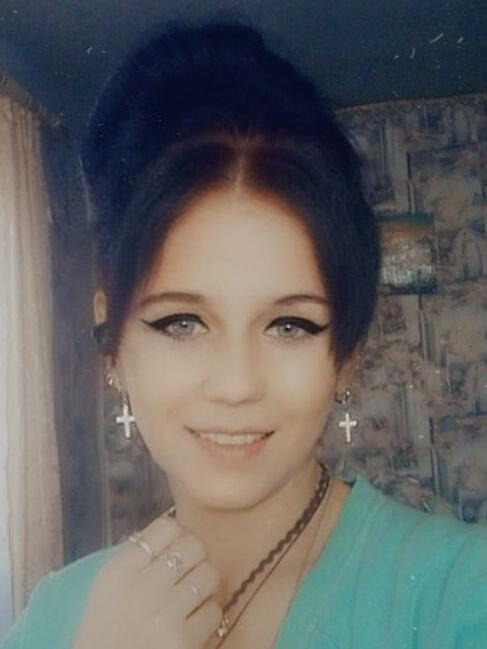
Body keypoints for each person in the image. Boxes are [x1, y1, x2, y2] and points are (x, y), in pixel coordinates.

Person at [2, 18, 487, 649]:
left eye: (289, 325)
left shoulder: (462, 595)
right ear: (112, 339)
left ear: (346, 352)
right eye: (182, 322)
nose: (236, 385)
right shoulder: (54, 614)